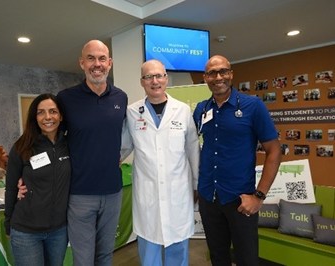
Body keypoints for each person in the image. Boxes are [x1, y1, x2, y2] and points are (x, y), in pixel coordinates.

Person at [193, 55, 281, 266]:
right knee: (218, 257)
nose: (218, 77)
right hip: (209, 198)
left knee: (247, 259)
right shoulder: (201, 109)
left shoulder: (253, 106)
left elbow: (275, 151)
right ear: (206, 77)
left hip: (241, 201)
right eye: (212, 73)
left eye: (223, 71)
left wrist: (259, 196)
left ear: (231, 74)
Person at [120, 59, 200, 265]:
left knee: (178, 247)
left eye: (158, 76)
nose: (154, 81)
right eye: (148, 77)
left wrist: (197, 184)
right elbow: (123, 147)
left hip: (178, 192)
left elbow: (192, 149)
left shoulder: (182, 110)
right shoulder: (131, 112)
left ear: (166, 78)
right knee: (149, 248)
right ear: (142, 81)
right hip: (147, 194)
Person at [57, 40, 128, 266]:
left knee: (105, 255)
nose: (97, 64)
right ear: (81, 63)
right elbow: (53, 142)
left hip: (113, 192)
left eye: (101, 59)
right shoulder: (66, 99)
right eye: (91, 58)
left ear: (110, 63)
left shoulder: (121, 98)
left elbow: (124, 137)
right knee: (84, 259)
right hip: (79, 194)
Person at [4, 93, 71, 266]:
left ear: (61, 115)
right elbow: (11, 187)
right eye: (41, 112)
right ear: (35, 117)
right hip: (26, 232)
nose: (48, 117)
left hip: (59, 231)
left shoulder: (70, 145)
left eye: (53, 111)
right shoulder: (22, 147)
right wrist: (8, 222)